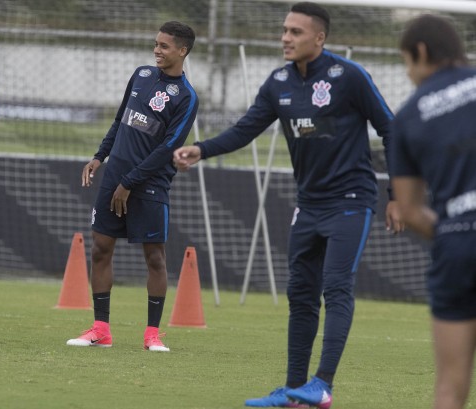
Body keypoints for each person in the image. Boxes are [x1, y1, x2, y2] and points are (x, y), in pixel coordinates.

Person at [174, 2, 402, 407]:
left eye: (296, 32)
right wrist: (201, 149)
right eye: (284, 30)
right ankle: (295, 391)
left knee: (336, 288)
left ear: (320, 37)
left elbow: (392, 130)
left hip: (351, 201)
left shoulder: (348, 77)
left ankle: (323, 384)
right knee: (300, 294)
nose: (285, 37)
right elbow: (246, 129)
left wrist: (397, 195)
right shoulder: (278, 81)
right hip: (308, 205)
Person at [66, 21, 198, 352]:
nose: (157, 50)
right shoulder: (140, 75)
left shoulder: (186, 97)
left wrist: (130, 181)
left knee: (154, 257)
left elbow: (168, 148)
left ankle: (152, 334)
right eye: (156, 43)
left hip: (150, 184)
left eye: (165, 46)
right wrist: (100, 157)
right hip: (115, 177)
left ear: (182, 51)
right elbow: (120, 119)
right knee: (100, 248)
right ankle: (100, 329)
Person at [390, 15, 476, 409]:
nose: (408, 74)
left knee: (449, 386)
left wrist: (455, 232)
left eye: (407, 63)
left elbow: (408, 208)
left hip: (456, 245)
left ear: (421, 53)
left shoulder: (408, 116)